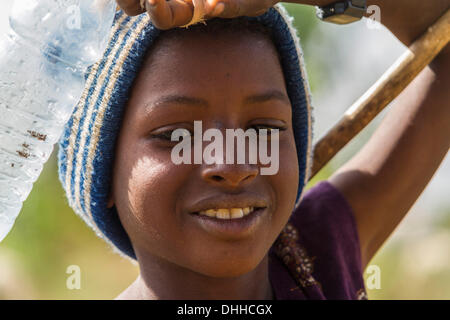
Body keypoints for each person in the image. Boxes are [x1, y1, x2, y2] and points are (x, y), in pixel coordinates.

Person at [58, 0, 450, 299]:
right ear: (103, 173)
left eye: (263, 128)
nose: (232, 164)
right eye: (178, 135)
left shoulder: (320, 252)